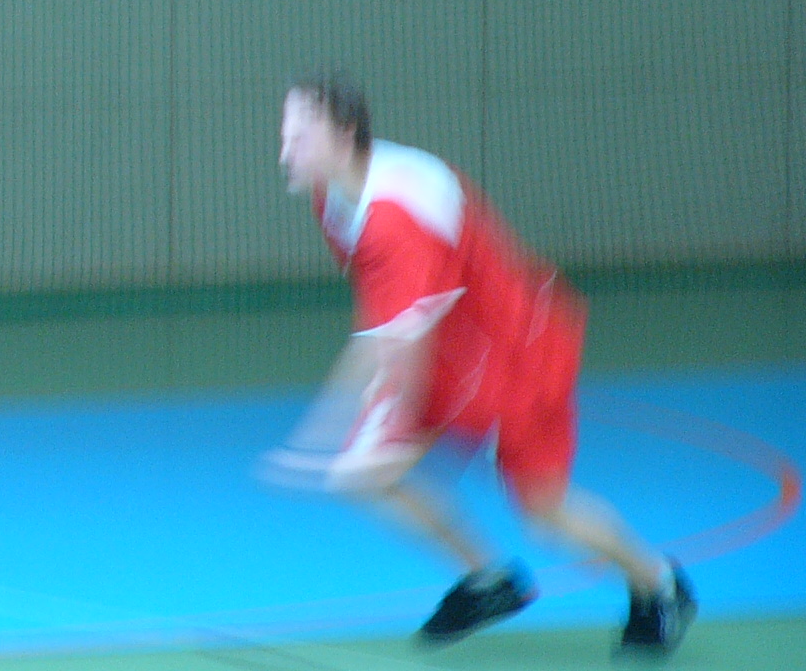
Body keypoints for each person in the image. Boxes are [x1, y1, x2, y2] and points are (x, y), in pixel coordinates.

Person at [271, 79, 696, 654]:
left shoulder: (394, 217)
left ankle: (660, 584)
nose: (285, 153)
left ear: (344, 137)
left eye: (300, 138)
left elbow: (394, 343)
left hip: (513, 350)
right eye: (284, 137)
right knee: (367, 474)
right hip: (448, 345)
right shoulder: (332, 197)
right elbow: (384, 309)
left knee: (544, 508)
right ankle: (490, 580)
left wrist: (321, 431)